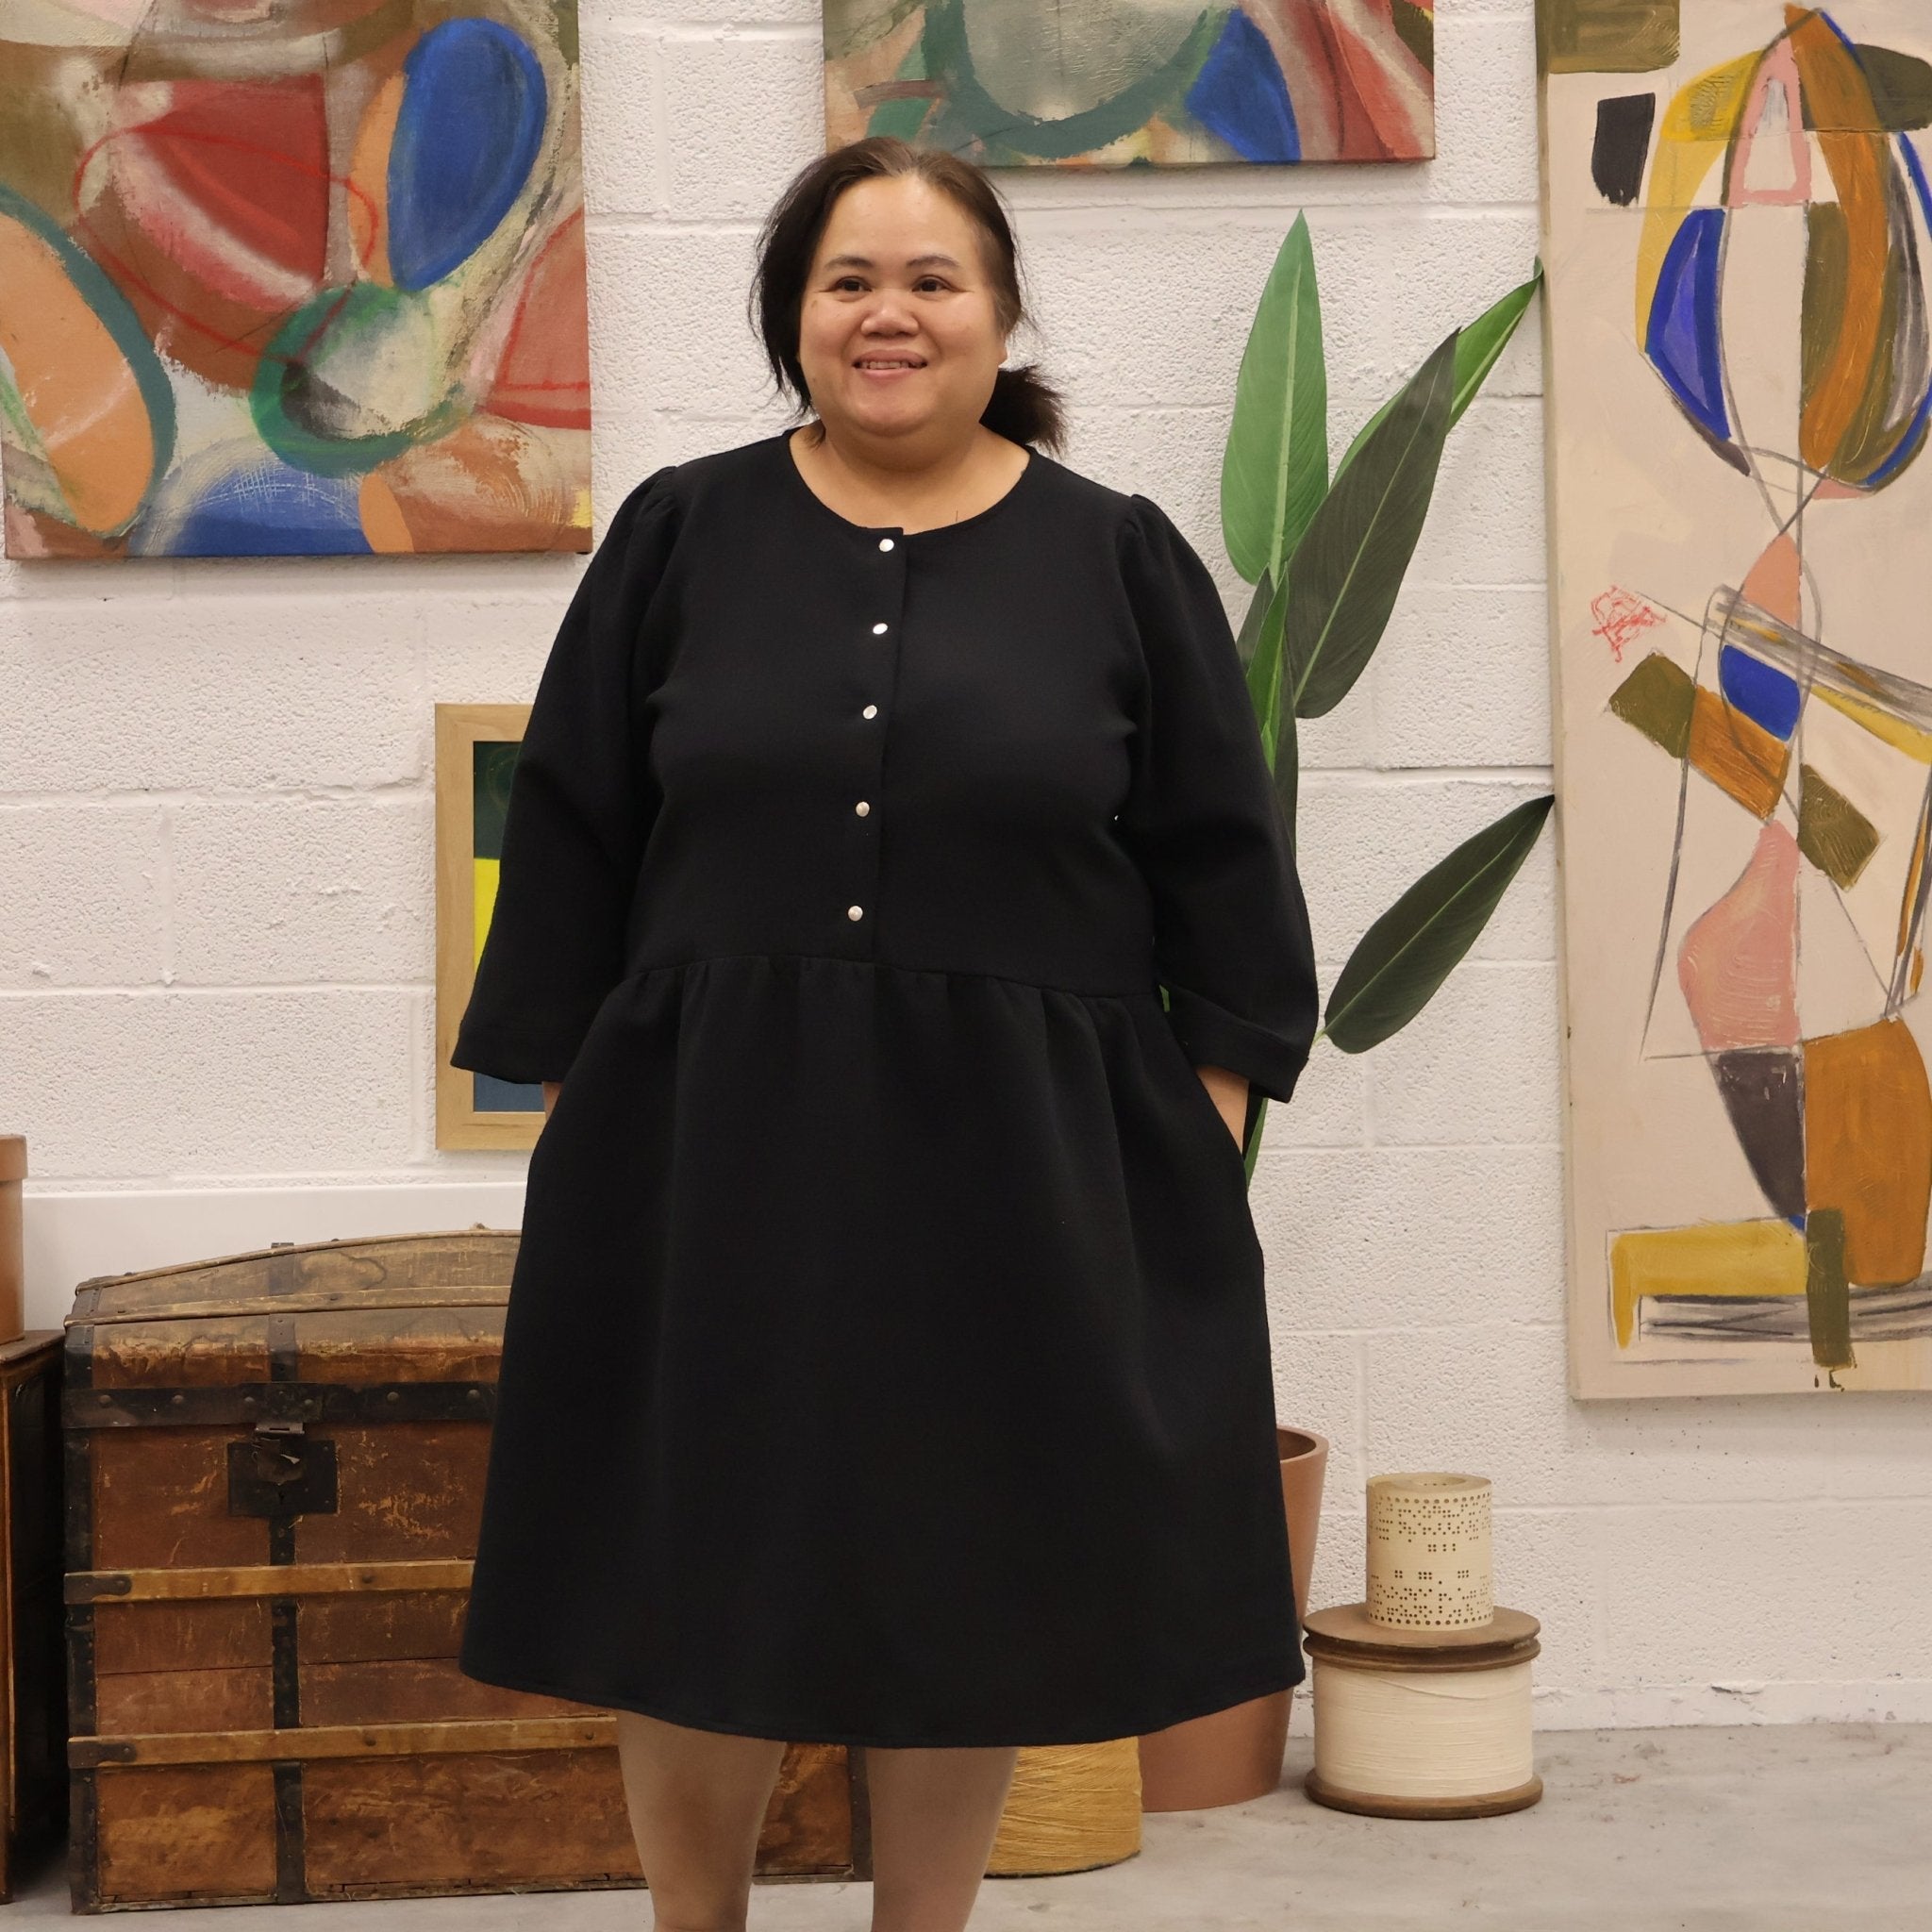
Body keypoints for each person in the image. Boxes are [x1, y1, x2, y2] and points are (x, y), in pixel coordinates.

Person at [450, 134, 1318, 1932]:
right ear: (796, 316)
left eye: (934, 279)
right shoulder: (680, 532)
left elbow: (1225, 876)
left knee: (970, 1577)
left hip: (1019, 1179)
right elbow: (576, 828)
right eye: (850, 280)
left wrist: (1199, 1133)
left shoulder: (1117, 558)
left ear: (1000, 316)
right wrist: (595, 1125)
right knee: (695, 1574)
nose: (890, 314)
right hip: (711, 1162)